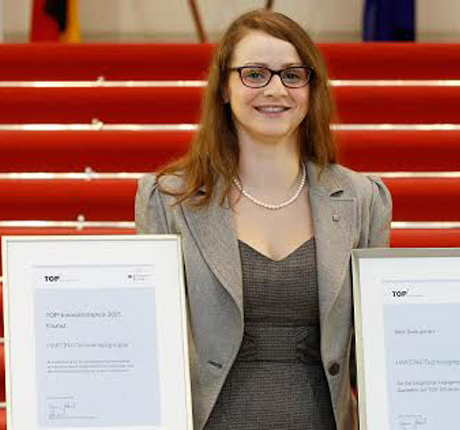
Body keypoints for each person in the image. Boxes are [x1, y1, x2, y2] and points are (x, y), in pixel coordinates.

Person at [135, 9, 391, 430]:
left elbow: (374, 350)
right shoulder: (167, 200)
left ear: (312, 89)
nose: (275, 89)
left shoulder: (363, 199)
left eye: (293, 75)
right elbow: (149, 345)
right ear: (223, 87)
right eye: (255, 74)